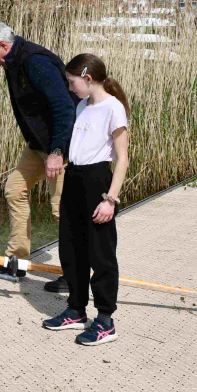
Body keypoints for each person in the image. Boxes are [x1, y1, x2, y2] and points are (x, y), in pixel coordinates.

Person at [0, 22, 79, 291]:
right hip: (38, 145)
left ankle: (75, 274)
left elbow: (64, 108)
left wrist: (57, 152)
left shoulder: (37, 62)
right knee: (14, 190)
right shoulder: (13, 62)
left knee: (62, 210)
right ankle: (16, 262)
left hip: (62, 147)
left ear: (3, 46)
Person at [41, 53, 130, 346]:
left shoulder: (113, 108)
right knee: (71, 249)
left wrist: (111, 199)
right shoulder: (82, 105)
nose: (70, 88)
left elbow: (122, 159)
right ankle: (76, 310)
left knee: (100, 254)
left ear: (88, 79)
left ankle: (105, 320)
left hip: (97, 183)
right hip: (75, 178)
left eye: (72, 82)